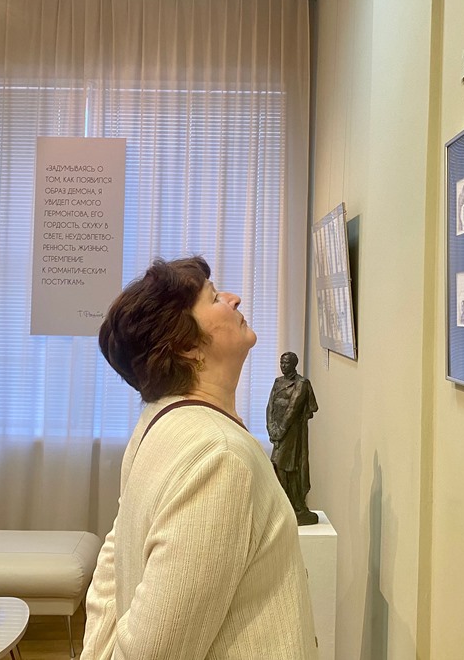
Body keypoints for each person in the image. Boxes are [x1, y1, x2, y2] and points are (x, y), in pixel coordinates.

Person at [82, 256, 317, 659]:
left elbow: (112, 562)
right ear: (188, 346)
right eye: (214, 297)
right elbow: (154, 650)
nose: (234, 298)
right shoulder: (218, 457)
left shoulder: (158, 421)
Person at [266, 352, 319, 526]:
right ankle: (285, 503)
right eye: (281, 362)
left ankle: (294, 504)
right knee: (280, 466)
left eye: (286, 363)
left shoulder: (301, 383)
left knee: (283, 465)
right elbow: (270, 406)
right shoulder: (278, 382)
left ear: (294, 364)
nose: (283, 365)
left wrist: (280, 432)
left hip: (292, 434)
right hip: (278, 432)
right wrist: (271, 428)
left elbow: (293, 409)